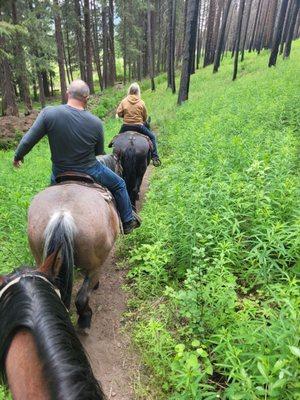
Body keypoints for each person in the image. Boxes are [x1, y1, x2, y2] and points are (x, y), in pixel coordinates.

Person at [13, 79, 141, 235]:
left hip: (59, 172)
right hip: (90, 170)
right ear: (86, 98)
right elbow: (99, 153)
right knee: (120, 184)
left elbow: (27, 141)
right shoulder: (96, 123)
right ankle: (128, 221)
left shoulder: (48, 113)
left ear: (68, 93)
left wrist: (17, 156)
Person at [116, 83, 161, 167]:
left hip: (126, 126)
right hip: (139, 126)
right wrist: (141, 119)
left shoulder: (124, 101)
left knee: (116, 140)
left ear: (129, 90)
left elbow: (119, 113)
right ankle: (155, 157)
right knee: (152, 137)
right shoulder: (141, 102)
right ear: (137, 92)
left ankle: (114, 158)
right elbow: (145, 117)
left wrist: (124, 115)